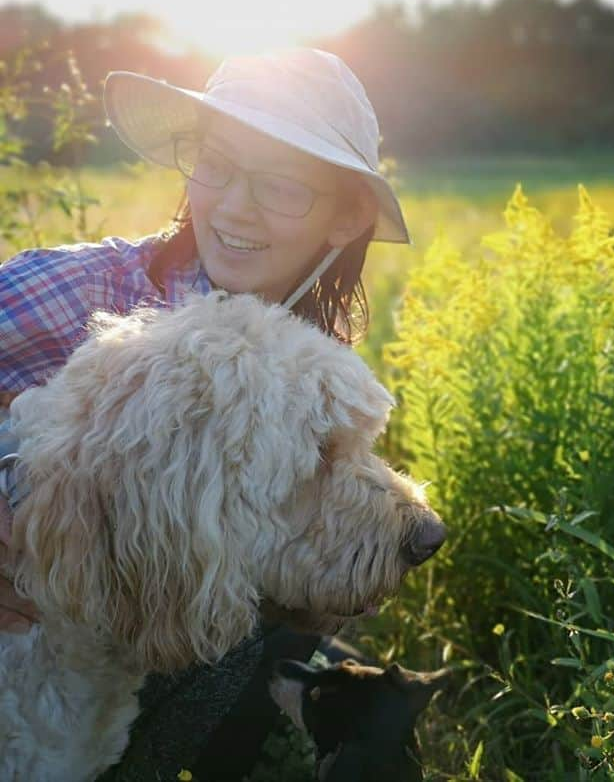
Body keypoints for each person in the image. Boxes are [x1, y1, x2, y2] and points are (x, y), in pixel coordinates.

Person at [0, 47, 411, 778]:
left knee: (289, 659)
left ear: (347, 216)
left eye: (281, 184)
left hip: (120, 669)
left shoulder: (302, 352)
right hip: (44, 658)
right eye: (215, 164)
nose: (233, 206)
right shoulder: (78, 289)